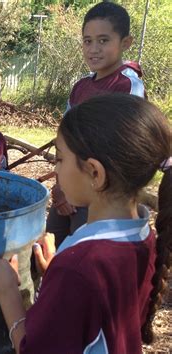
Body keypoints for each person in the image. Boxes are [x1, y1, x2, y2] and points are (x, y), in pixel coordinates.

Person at [0, 94, 171, 354]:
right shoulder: (143, 234)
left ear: (95, 173)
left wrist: (8, 293)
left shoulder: (78, 268)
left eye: (60, 159)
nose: (56, 169)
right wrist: (56, 278)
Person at [47, 1, 146, 247]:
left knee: (82, 252)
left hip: (99, 194)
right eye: (87, 41)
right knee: (51, 244)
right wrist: (61, 185)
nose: (93, 48)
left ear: (125, 43)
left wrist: (85, 188)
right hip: (69, 186)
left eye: (103, 40)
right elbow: (65, 138)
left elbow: (122, 149)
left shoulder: (126, 86)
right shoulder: (81, 86)